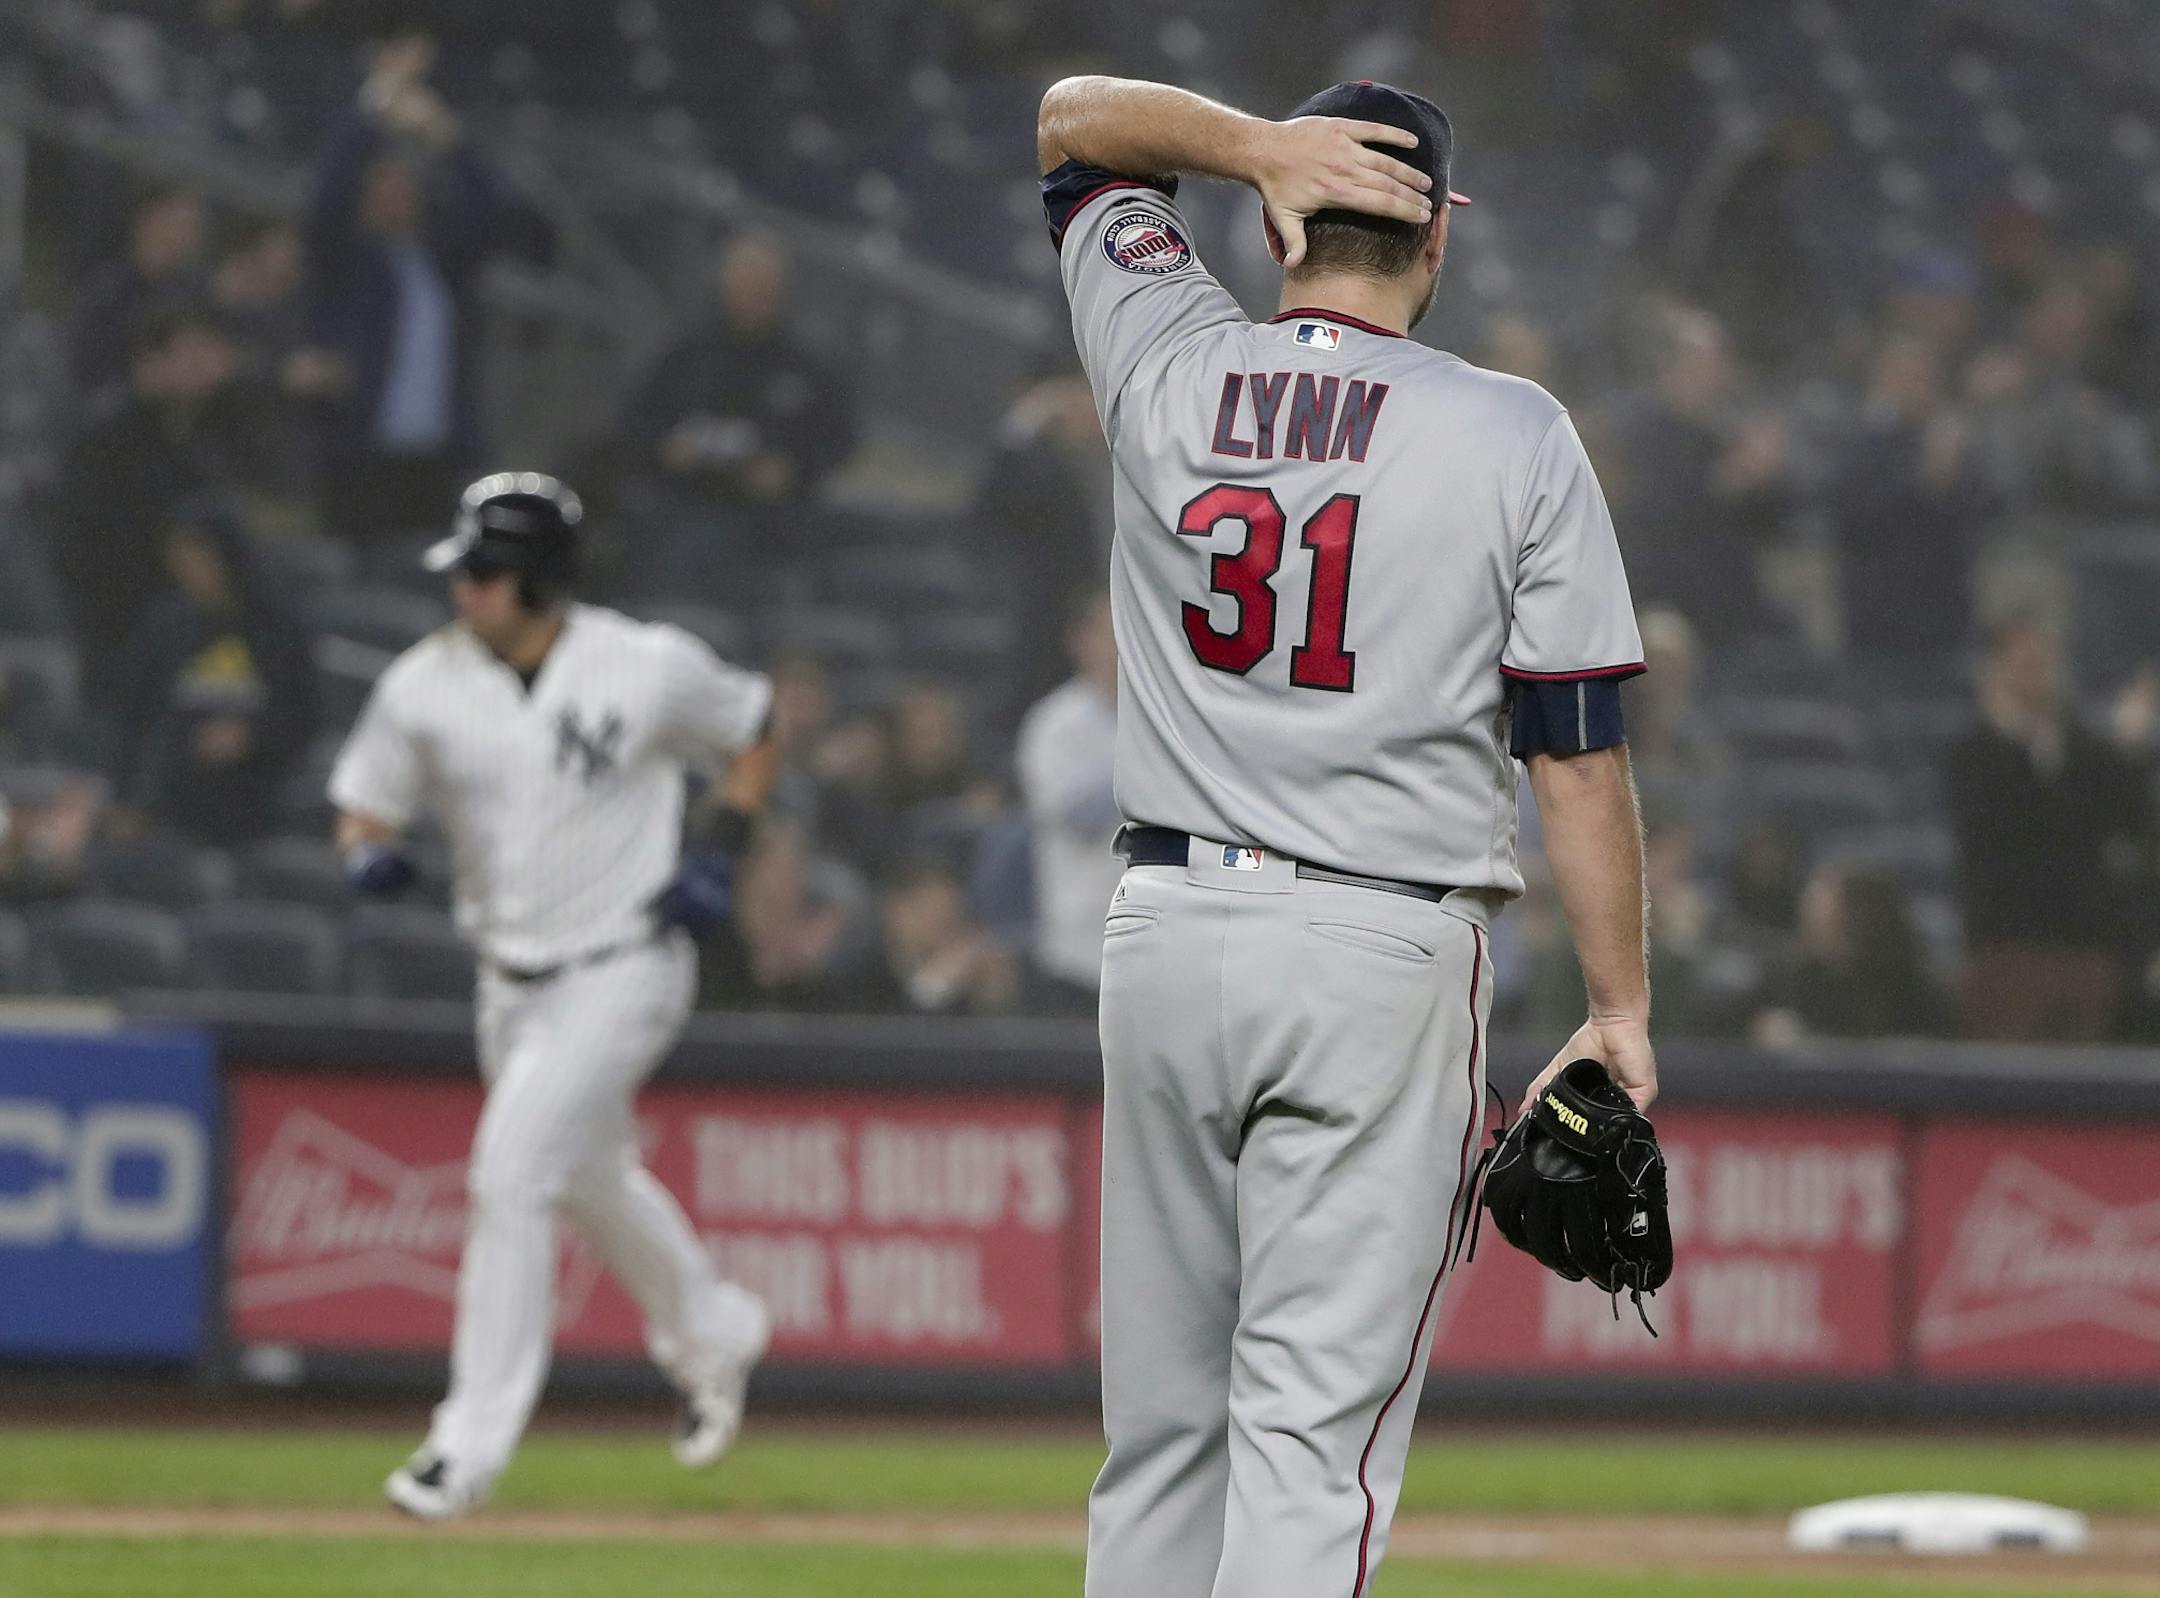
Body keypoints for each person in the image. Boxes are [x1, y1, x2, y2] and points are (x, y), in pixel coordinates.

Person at [1038, 76, 1653, 1598]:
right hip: (1383, 944)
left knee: (1163, 1435)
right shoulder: (1515, 429)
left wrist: (1247, 144)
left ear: (1277, 219)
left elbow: (1070, 127)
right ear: (1441, 235)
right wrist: (1622, 1008)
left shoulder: (1167, 356)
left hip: (1168, 929)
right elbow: (1573, 760)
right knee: (1313, 1447)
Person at [329, 473, 776, 1518]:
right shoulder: (423, 685)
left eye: (485, 573)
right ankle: (711, 1328)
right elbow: (363, 804)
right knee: (589, 1176)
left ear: (537, 578)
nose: (465, 591)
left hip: (627, 961)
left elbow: (753, 724)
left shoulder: (643, 664)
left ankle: (464, 1447)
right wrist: (368, 860)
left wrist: (724, 845)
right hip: (510, 983)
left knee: (511, 1171)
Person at [303, 35, 551, 544]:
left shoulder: (444, 262)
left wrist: (451, 141)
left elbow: (508, 219)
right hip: (361, 456)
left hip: (439, 460)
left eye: (403, 186)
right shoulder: (348, 264)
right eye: (380, 187)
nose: (393, 198)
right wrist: (374, 107)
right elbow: (324, 201)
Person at [1942, 614, 2153, 1041]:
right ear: (1995, 670)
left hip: (2084, 949)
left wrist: (2129, 751)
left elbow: (2127, 822)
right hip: (2006, 949)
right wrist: (2020, 742)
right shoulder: (1973, 755)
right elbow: (2012, 836)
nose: (2037, 674)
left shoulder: (2086, 751)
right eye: (2023, 662)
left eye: (2044, 661)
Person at [51, 304, 256, 715]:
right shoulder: (104, 445)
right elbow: (99, 560)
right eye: (190, 352)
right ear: (148, 360)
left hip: (190, 629)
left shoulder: (193, 436)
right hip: (126, 639)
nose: (204, 367)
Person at [112, 504, 320, 847]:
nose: (190, 568)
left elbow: (306, 713)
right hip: (175, 797)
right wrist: (127, 797)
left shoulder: (277, 628)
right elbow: (134, 718)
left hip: (262, 794)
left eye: (200, 556)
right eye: (181, 557)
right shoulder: (166, 629)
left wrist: (250, 736)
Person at [619, 233, 859, 509]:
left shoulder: (806, 366)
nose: (753, 291)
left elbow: (839, 437)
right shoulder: (688, 350)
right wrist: (662, 448)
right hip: (678, 497)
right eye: (745, 277)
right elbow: (636, 416)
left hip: (765, 515)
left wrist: (792, 469)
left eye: (764, 283)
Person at [1015, 588, 1122, 1011]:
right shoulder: (1054, 723)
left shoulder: (1165, 714)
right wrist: (1149, 765)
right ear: (1080, 640)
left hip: (1157, 944)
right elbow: (1078, 815)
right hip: (1079, 951)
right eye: (1107, 630)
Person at [69, 185, 207, 403]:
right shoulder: (107, 288)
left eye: (193, 227)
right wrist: (139, 380)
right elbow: (85, 371)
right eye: (179, 223)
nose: (186, 236)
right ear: (147, 218)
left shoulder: (188, 296)